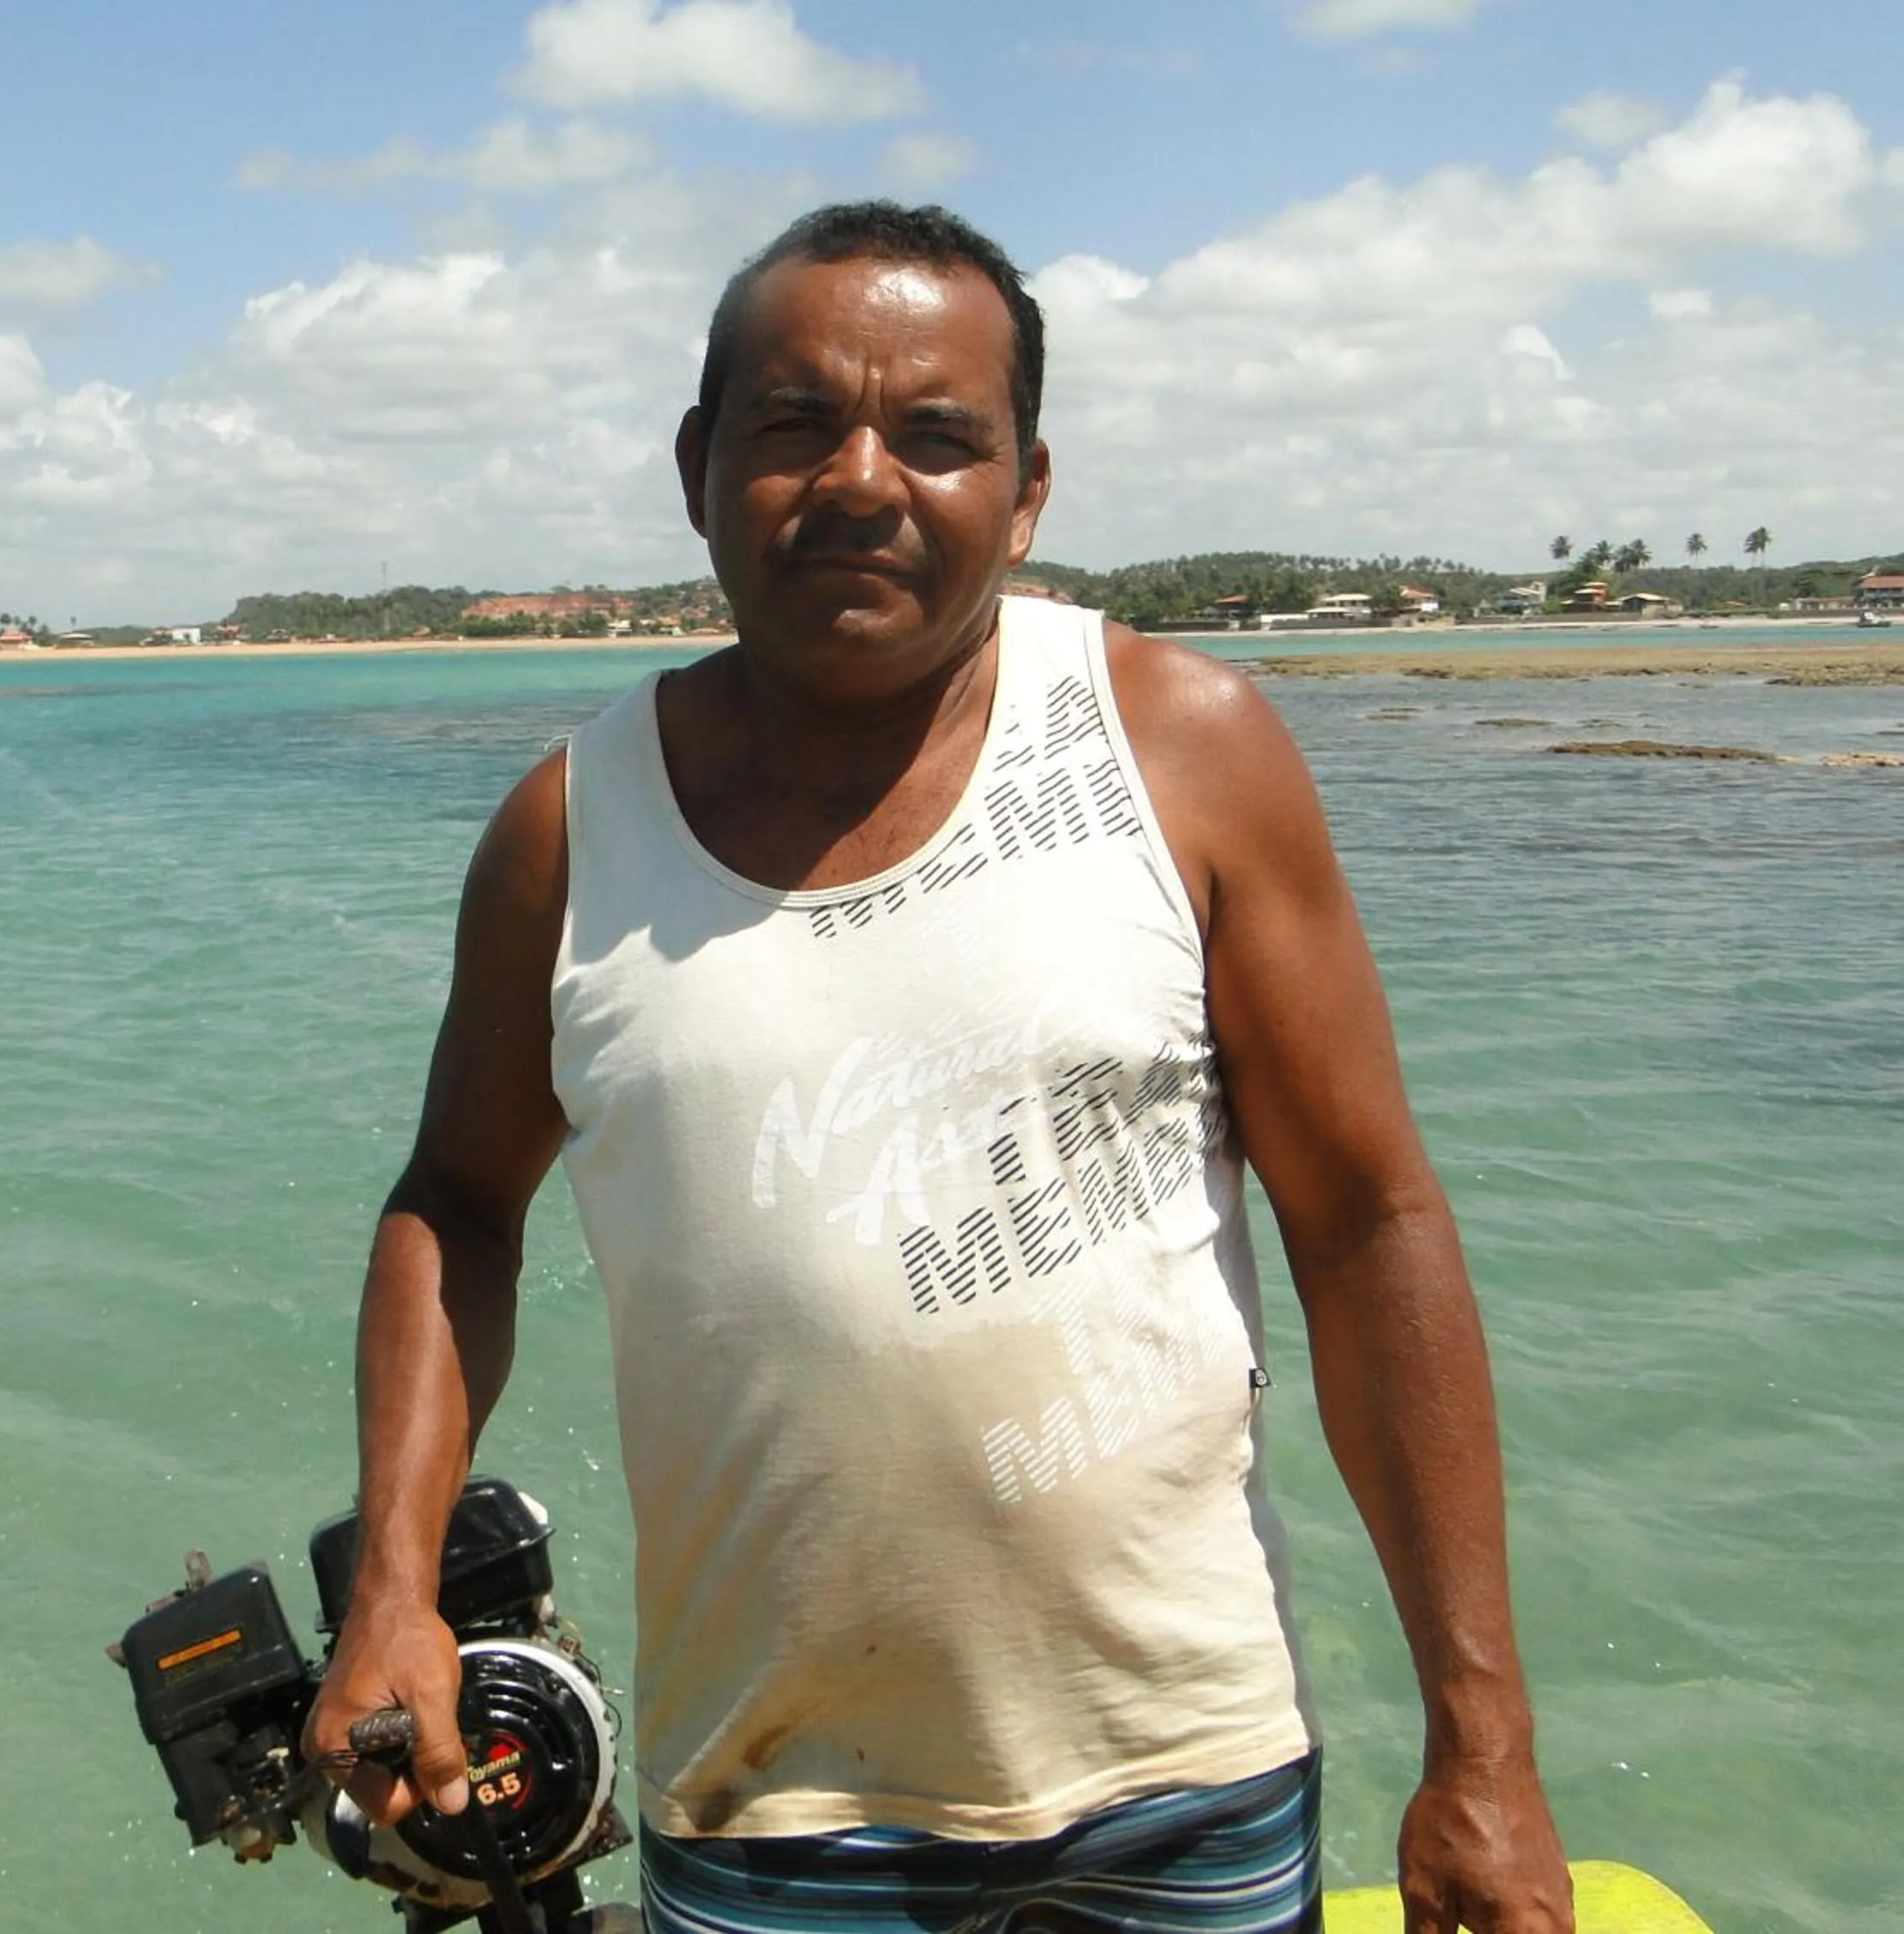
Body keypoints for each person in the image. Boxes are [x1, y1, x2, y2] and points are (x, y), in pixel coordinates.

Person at [306, 200, 1572, 1934]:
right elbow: (457, 1207)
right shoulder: (572, 833)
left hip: (1187, 1775)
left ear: (1027, 489)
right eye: (795, 423)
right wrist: (394, 1585)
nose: (861, 480)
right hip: (767, 1798)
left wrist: (1483, 1744)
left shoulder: (1183, 752)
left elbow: (1368, 1230)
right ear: (696, 469)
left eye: (938, 434)